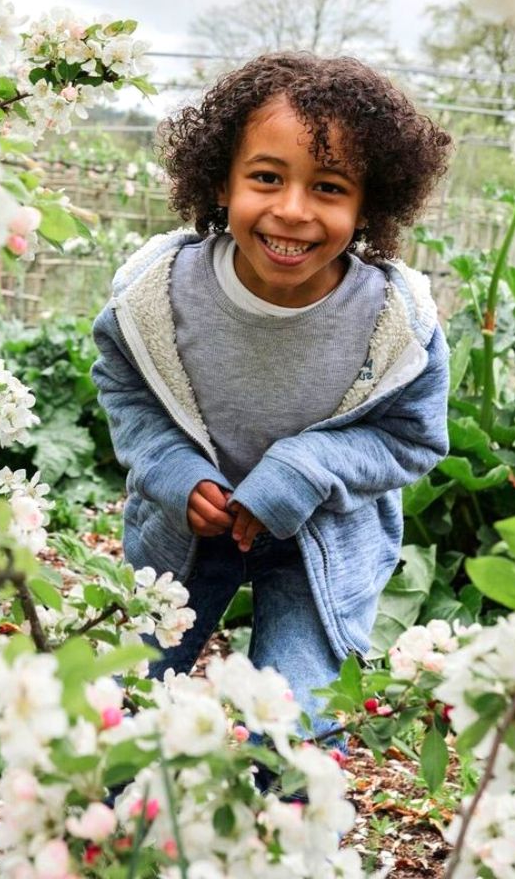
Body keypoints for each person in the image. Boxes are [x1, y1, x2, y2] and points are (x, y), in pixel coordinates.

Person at [91, 51, 453, 740]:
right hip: (190, 527)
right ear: (221, 182)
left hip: (321, 540)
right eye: (266, 177)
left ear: (369, 204)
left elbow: (413, 438)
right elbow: (126, 390)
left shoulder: (395, 324)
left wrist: (305, 469)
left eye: (329, 187)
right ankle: (95, 833)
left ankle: (289, 836)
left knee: (295, 725)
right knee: (121, 705)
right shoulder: (159, 295)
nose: (292, 211)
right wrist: (173, 470)